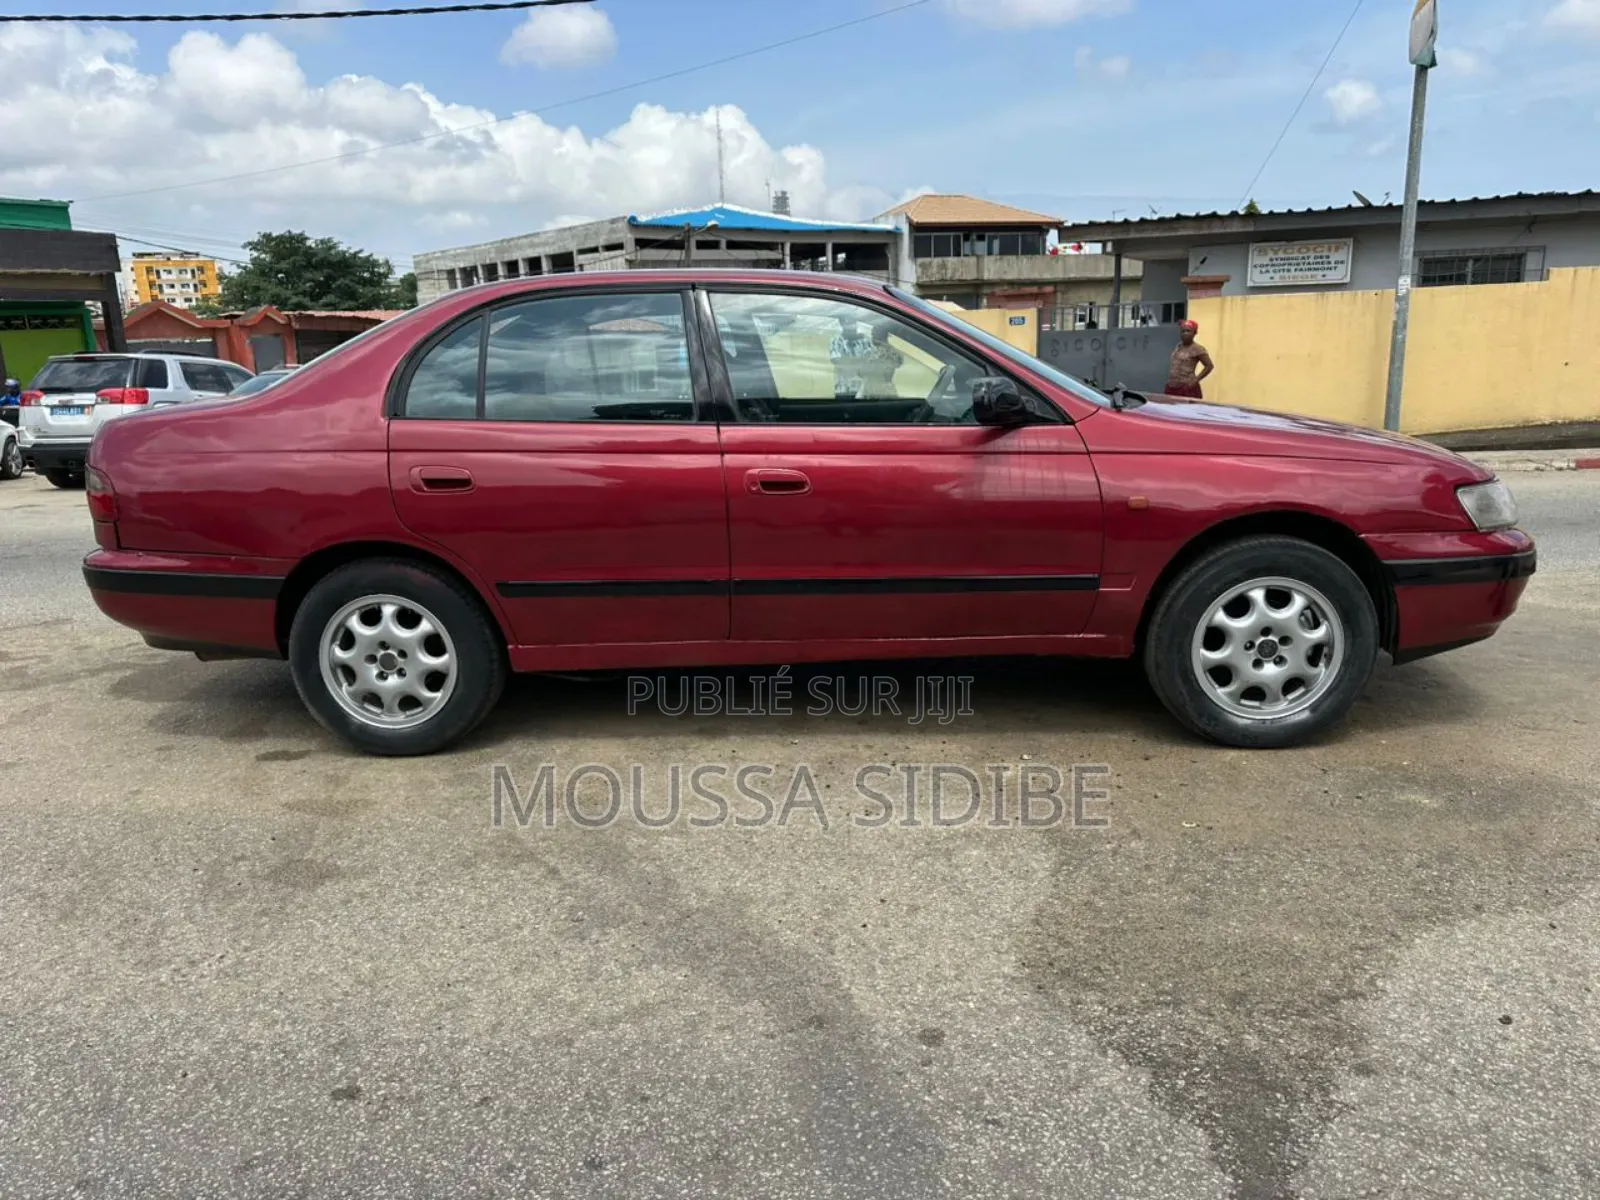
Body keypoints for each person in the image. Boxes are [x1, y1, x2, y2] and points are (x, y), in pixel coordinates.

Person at [1166, 320, 1214, 399]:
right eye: (1183, 331)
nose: (1185, 333)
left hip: (1187, 388)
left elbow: (1209, 366)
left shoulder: (1197, 349)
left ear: (1194, 333)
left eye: (1188, 331)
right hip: (1172, 387)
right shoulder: (1178, 347)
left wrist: (1196, 380)